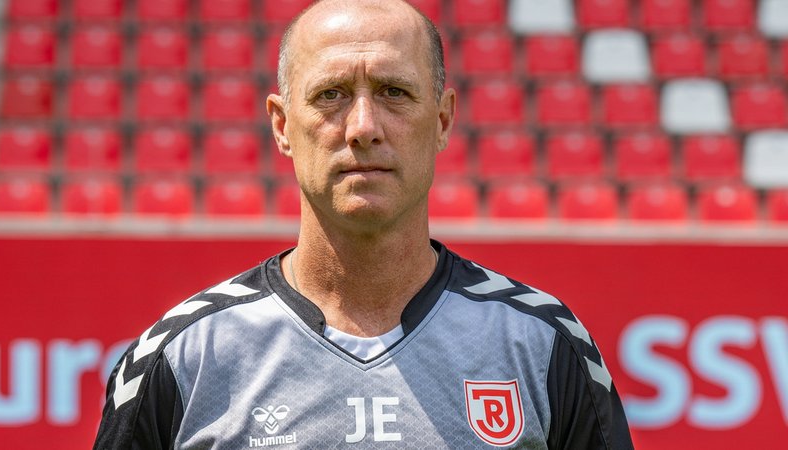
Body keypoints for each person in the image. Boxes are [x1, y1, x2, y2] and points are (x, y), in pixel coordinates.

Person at [94, 0, 634, 448]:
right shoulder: (184, 357)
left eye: (394, 93)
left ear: (442, 120)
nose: (363, 128)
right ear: (282, 126)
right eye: (330, 95)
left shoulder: (542, 343)